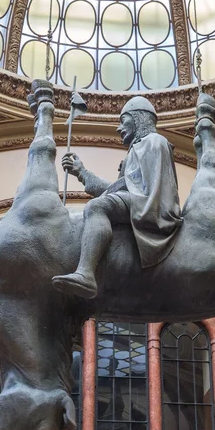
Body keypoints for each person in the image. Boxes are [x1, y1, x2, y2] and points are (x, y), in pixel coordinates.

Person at [52, 96, 183, 299]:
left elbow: (137, 190)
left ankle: (86, 273)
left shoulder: (154, 142)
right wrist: (81, 172)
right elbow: (118, 189)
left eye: (124, 120)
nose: (118, 128)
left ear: (138, 119)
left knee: (97, 207)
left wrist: (87, 174)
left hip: (152, 206)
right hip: (139, 201)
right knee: (101, 204)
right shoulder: (139, 148)